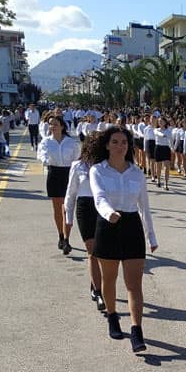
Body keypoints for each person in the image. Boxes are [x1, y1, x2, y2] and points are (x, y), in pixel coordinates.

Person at [90, 126, 158, 353]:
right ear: (107, 145)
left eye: (124, 142)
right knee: (109, 279)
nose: (120, 146)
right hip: (107, 224)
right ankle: (112, 316)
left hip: (131, 226)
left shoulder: (137, 173)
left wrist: (151, 236)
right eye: (115, 142)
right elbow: (99, 197)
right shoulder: (98, 170)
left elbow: (144, 206)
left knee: (134, 284)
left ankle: (137, 330)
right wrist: (109, 213)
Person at [63, 132, 105, 312]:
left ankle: (96, 282)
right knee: (92, 251)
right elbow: (70, 193)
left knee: (103, 253)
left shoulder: (107, 166)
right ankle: (98, 291)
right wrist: (68, 218)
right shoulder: (78, 166)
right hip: (85, 207)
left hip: (103, 208)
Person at [37, 116, 81, 255]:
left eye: (55, 124)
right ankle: (61, 236)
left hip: (68, 174)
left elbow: (77, 158)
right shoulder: (46, 141)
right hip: (54, 174)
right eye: (50, 124)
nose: (52, 127)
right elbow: (41, 154)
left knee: (67, 208)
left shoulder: (71, 142)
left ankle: (67, 238)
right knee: (57, 209)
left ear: (62, 126)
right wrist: (45, 160)